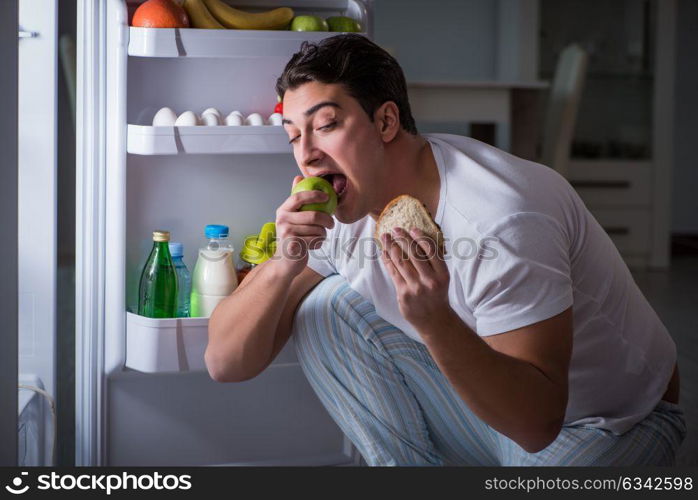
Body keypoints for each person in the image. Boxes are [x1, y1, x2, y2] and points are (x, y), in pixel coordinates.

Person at [206, 34, 685, 466]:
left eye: (325, 125)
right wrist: (284, 265)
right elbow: (224, 364)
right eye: (293, 135)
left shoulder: (503, 219)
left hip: (605, 422)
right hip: (493, 412)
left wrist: (434, 321)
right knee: (326, 308)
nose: (306, 153)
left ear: (386, 121)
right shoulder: (344, 208)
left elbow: (538, 427)